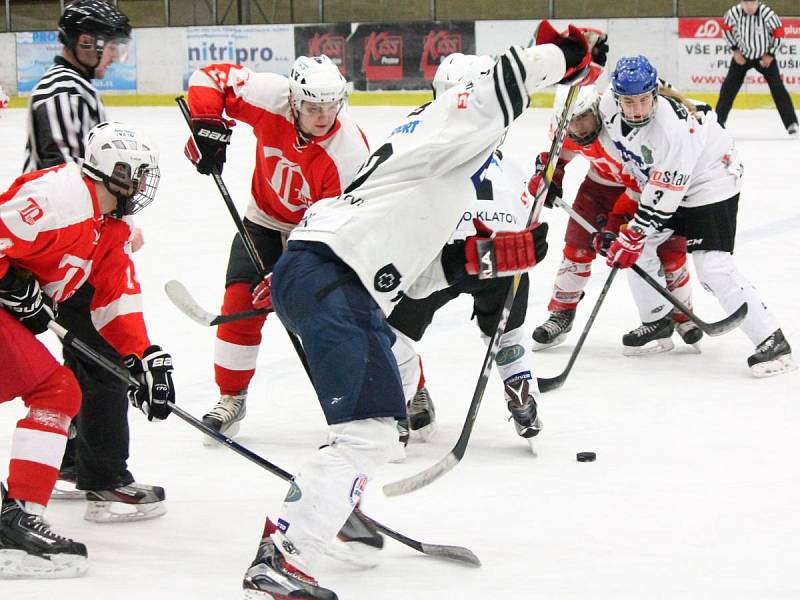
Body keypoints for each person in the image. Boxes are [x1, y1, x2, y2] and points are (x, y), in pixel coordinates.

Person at [239, 23, 606, 598]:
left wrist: (486, 258)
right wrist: (565, 54)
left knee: (395, 382)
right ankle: (285, 551)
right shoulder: (454, 120)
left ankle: (331, 497)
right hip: (335, 278)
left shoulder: (427, 154)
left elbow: (425, 267)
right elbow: (503, 79)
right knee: (371, 432)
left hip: (329, 273)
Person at [0, 121, 175, 575]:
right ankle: (13, 522)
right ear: (110, 170)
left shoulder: (109, 224)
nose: (140, 184)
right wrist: (9, 282)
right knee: (56, 389)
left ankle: (15, 516)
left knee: (58, 390)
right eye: (134, 174)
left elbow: (114, 301)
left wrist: (142, 357)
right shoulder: (59, 198)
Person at [22, 0, 163, 520]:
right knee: (104, 361)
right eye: (111, 44)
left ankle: (73, 459)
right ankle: (105, 479)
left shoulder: (73, 87)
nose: (116, 54)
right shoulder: (61, 91)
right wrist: (110, 228)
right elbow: (69, 178)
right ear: (87, 42)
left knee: (84, 359)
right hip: (65, 252)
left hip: (76, 247)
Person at [184, 54, 370, 441]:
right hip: (265, 221)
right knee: (240, 304)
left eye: (332, 105)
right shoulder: (271, 98)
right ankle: (231, 397)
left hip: (320, 239)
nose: (324, 116)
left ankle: (384, 396)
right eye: (313, 107)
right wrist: (207, 126)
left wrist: (287, 274)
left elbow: (336, 229)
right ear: (294, 101)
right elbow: (210, 77)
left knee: (329, 321)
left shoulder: (349, 153)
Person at [387, 52, 544, 451]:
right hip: (500, 257)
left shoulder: (418, 136)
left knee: (387, 333)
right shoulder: (503, 154)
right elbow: (525, 218)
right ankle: (521, 391)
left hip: (436, 258)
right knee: (508, 332)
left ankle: (391, 411)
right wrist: (531, 239)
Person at [600, 55, 795, 377]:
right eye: (629, 101)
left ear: (655, 95)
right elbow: (585, 126)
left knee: (713, 266)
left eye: (644, 100)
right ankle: (658, 321)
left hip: (711, 182)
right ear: (616, 96)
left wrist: (634, 233)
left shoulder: (673, 130)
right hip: (668, 183)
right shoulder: (607, 104)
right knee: (637, 249)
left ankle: (772, 339)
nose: (636, 109)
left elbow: (665, 197)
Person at [529, 84, 703, 355]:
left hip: (642, 190)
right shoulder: (565, 125)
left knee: (668, 250)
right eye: (570, 121)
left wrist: (613, 226)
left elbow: (639, 184)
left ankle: (683, 314)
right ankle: (561, 313)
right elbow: (557, 154)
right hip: (598, 187)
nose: (578, 127)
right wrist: (550, 177)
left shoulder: (620, 128)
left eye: (583, 117)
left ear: (597, 112)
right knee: (577, 245)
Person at [716, 0, 798, 137]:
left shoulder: (768, 14)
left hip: (763, 56)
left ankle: (791, 123)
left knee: (778, 88)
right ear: (741, 3)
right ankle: (717, 123)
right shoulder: (733, 13)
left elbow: (779, 33)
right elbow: (725, 29)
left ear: (758, 2)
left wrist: (770, 54)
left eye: (752, 3)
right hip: (743, 56)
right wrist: (735, 50)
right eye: (746, 3)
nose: (749, 6)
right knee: (728, 89)